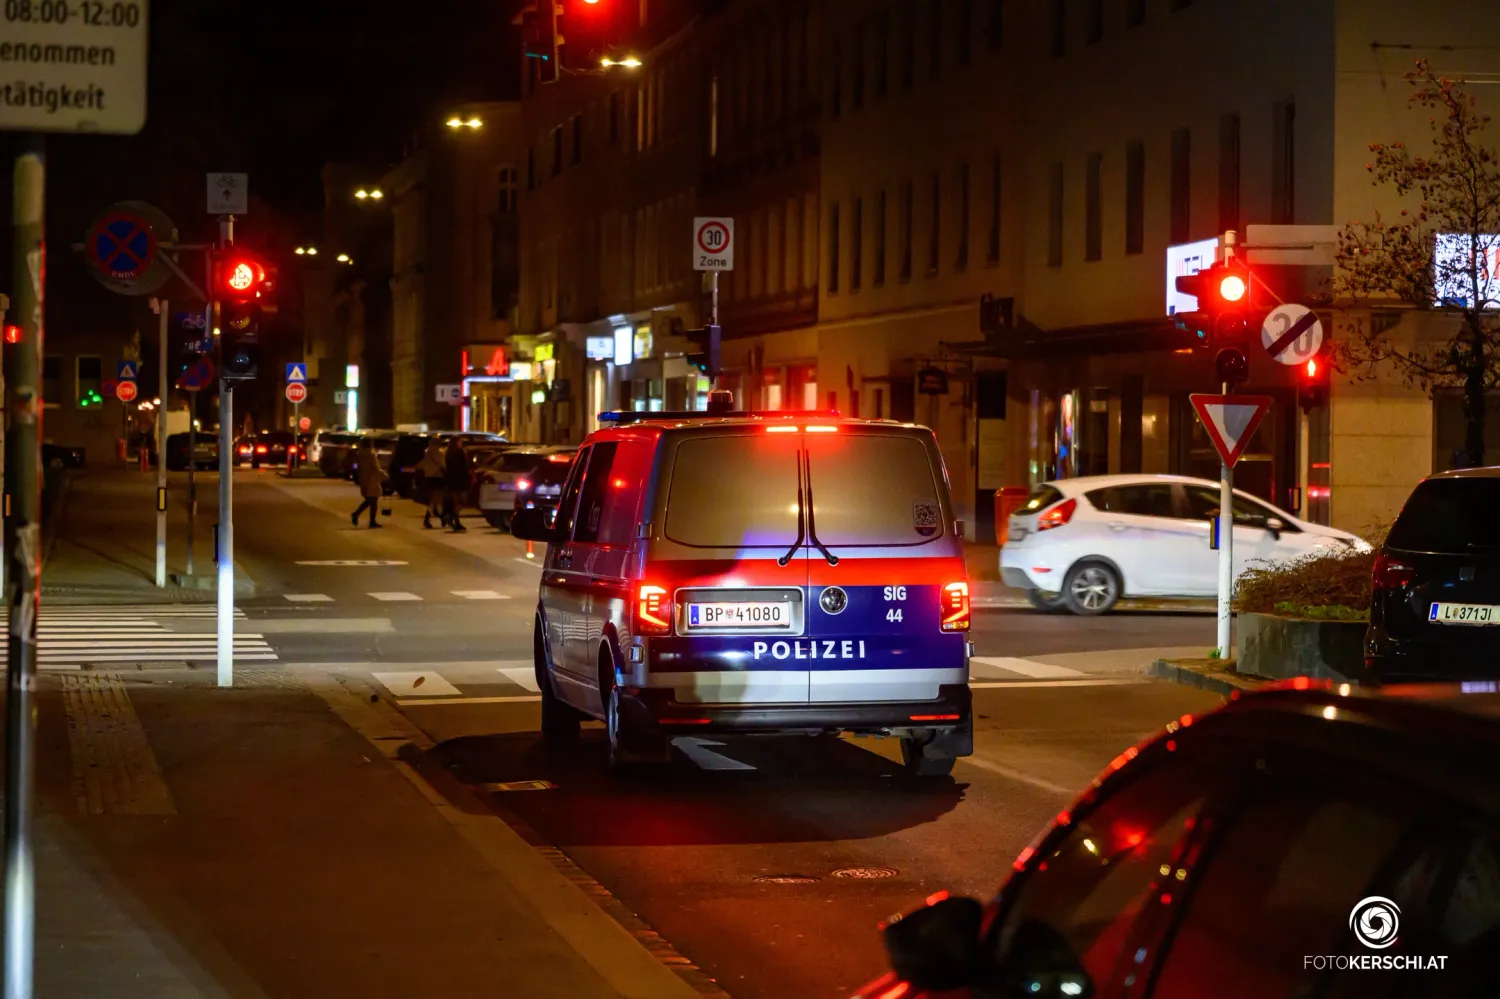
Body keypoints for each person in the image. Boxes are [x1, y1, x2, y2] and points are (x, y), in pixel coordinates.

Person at [351, 441, 387, 529]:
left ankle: (359, 515)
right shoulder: (371, 455)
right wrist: (385, 475)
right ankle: (368, 519)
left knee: (370, 500)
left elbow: (358, 468)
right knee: (372, 501)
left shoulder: (360, 455)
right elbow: (375, 467)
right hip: (372, 480)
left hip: (364, 479)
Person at [417, 438, 447, 530]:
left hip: (429, 478)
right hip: (438, 478)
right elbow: (444, 466)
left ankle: (439, 518)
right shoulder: (440, 454)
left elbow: (422, 466)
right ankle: (431, 518)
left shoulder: (427, 454)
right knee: (437, 499)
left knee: (434, 499)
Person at [443, 437, 471, 533]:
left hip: (451, 480)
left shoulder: (448, 453)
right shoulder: (460, 453)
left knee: (456, 502)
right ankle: (452, 517)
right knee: (462, 502)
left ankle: (456, 520)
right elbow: (464, 466)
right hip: (460, 480)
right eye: (460, 442)